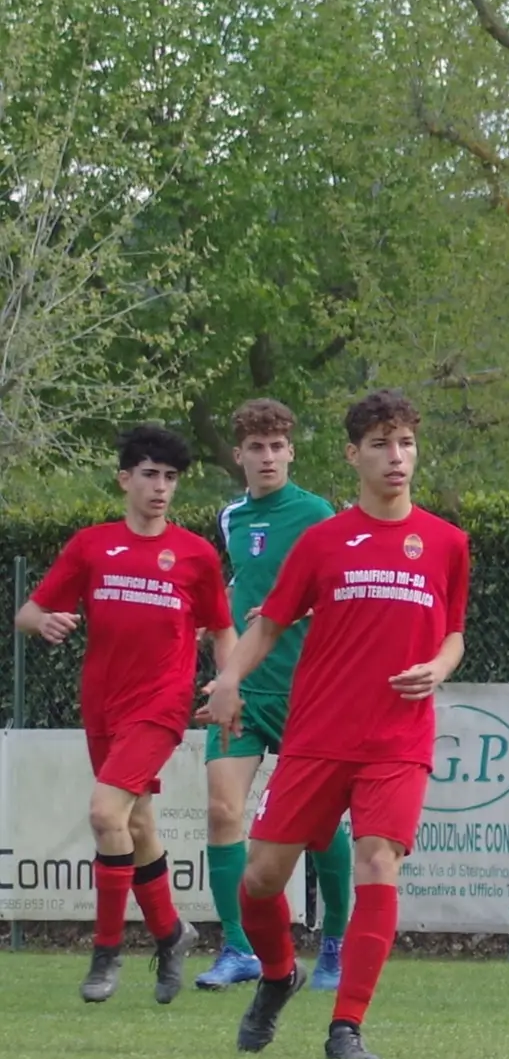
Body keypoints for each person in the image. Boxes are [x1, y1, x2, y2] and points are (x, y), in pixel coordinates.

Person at [203, 391, 472, 1059]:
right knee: (262, 878)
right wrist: (230, 681)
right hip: (318, 735)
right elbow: (268, 621)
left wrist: (438, 667)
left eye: (406, 442)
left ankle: (346, 1026)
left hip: (398, 738)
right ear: (354, 455)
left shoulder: (446, 543)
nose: (396, 456)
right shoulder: (323, 541)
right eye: (381, 444)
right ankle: (276, 975)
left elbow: (456, 636)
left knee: (378, 861)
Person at [17, 426, 228, 1005]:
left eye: (171, 477)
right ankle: (171, 933)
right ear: (125, 479)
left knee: (104, 812)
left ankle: (106, 951)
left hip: (160, 705)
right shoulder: (92, 545)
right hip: (102, 704)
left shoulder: (196, 554)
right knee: (136, 826)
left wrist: (227, 683)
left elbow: (224, 627)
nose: (161, 488)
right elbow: (29, 611)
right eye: (151, 475)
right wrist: (45, 622)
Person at [194, 399, 347, 995]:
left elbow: (340, 594)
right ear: (239, 456)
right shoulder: (231, 518)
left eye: (276, 446)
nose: (266, 456)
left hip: (308, 691)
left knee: (320, 824)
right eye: (255, 447)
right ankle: (239, 948)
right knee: (221, 811)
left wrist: (294, 611)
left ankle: (334, 939)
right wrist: (223, 671)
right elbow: (230, 603)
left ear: (291, 451)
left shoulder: (317, 514)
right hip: (246, 691)